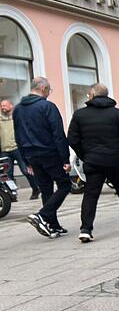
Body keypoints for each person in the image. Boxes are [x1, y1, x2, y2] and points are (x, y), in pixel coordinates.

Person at [66, 83, 119, 243]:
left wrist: (84, 154)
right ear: (106, 95)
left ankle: (86, 229)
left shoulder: (80, 115)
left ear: (92, 95)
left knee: (90, 194)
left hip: (92, 161)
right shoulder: (118, 114)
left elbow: (72, 139)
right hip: (114, 160)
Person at [14, 77, 71, 238]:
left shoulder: (18, 109)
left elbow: (18, 136)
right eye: (49, 90)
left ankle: (52, 225)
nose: (48, 93)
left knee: (46, 188)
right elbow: (58, 134)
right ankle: (43, 215)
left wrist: (26, 161)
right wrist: (65, 159)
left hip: (31, 155)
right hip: (49, 153)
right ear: (43, 88)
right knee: (65, 185)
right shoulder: (47, 106)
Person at [0, 100, 39, 200]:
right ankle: (12, 195)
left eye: (4, 105)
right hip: (4, 150)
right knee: (8, 174)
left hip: (18, 148)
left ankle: (35, 189)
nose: (2, 107)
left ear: (11, 106)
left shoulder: (16, 117)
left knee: (26, 170)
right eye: (1, 106)